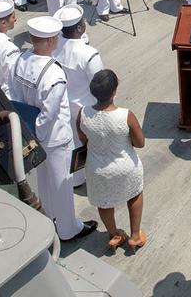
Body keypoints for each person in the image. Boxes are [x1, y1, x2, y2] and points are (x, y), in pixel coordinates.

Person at [11, 16, 98, 242]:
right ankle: (68, 229)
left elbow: (16, 96)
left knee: (44, 182)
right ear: (50, 40)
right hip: (54, 137)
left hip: (31, 131)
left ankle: (48, 219)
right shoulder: (53, 73)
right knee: (62, 184)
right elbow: (49, 114)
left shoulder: (21, 60)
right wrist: (39, 135)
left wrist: (30, 135)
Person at [78, 69, 146, 252]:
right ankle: (134, 236)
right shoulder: (125, 115)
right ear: (114, 91)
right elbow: (140, 143)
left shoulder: (83, 113)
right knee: (135, 194)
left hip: (97, 169)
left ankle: (114, 234)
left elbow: (83, 139)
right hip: (125, 167)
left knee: (104, 202)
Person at [53, 4, 106, 187]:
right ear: (79, 27)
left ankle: (76, 179)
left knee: (74, 145)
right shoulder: (89, 54)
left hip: (65, 103)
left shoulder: (55, 45)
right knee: (93, 146)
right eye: (83, 21)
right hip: (86, 109)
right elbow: (101, 86)